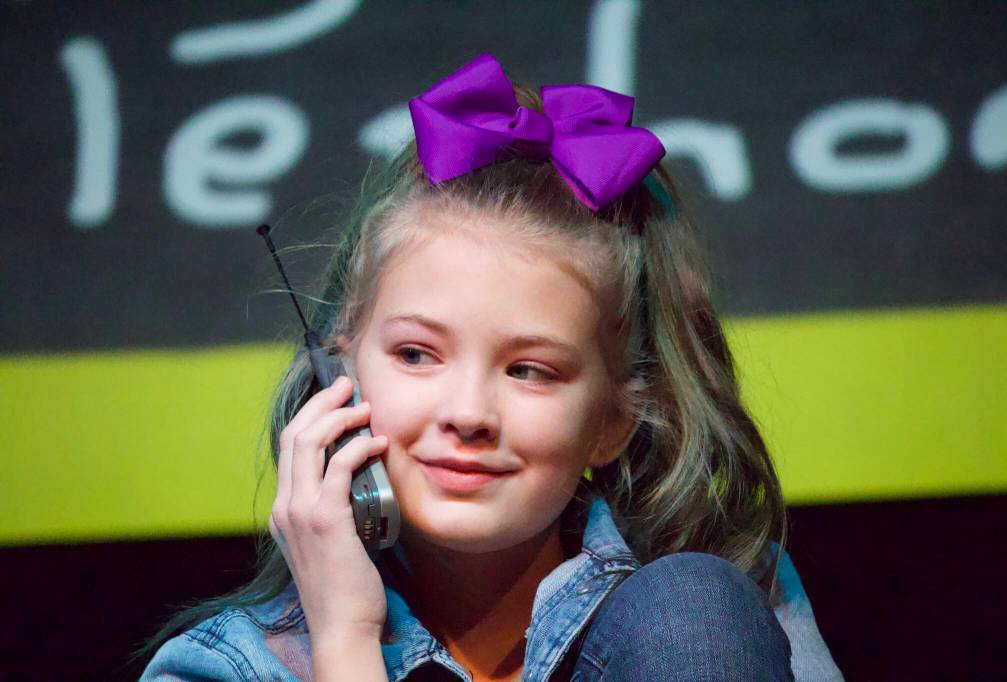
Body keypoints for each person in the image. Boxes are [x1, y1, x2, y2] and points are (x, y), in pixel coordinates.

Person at [134, 53, 842, 681]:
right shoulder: (227, 668)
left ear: (614, 420)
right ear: (338, 366)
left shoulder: (716, 611)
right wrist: (345, 639)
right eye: (416, 355)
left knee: (693, 600)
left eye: (530, 371)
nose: (468, 413)